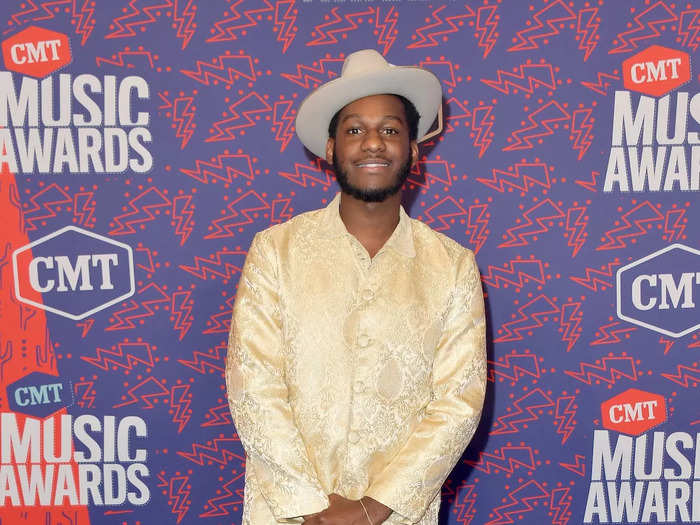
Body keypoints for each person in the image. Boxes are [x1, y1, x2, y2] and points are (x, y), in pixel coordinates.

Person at [226, 49, 486, 525]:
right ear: (330, 150)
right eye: (354, 130)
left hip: (399, 516)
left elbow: (458, 403)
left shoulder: (452, 266)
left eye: (390, 130)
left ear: (413, 149)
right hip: (285, 513)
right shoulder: (275, 251)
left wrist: (373, 508)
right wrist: (310, 508)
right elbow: (253, 386)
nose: (372, 143)